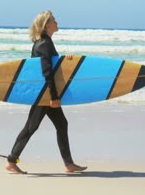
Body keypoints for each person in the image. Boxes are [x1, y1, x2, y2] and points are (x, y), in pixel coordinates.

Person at [5, 10, 87, 174]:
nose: (57, 22)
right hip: (44, 95)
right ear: (47, 25)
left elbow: (54, 67)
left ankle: (69, 164)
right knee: (31, 127)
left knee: (61, 124)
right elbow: (47, 72)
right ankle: (11, 161)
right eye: (54, 20)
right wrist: (54, 97)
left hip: (46, 93)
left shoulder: (45, 42)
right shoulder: (44, 44)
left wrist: (66, 61)